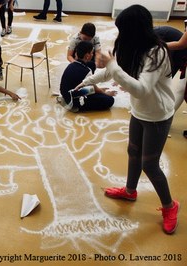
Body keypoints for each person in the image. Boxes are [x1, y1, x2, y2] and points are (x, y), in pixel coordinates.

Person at [76, 5, 179, 234]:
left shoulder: (157, 53)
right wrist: (87, 81)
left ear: (136, 30)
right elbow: (112, 72)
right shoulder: (129, 45)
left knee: (149, 164)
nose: (120, 34)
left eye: (124, 29)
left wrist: (112, 66)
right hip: (140, 112)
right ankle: (130, 191)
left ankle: (170, 206)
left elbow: (142, 89)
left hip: (158, 116)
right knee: (133, 151)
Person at [59, 41, 115, 112]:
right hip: (72, 99)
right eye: (91, 53)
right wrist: (102, 92)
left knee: (91, 89)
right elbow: (92, 87)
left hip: (65, 94)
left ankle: (68, 100)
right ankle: (73, 106)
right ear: (87, 56)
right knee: (110, 100)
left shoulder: (71, 65)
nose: (92, 55)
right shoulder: (87, 70)